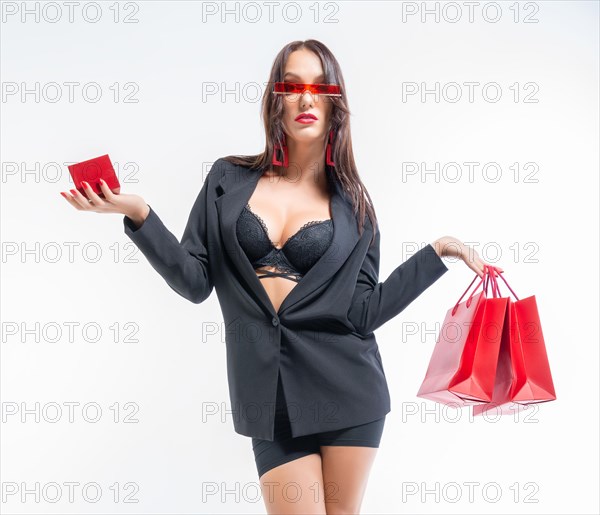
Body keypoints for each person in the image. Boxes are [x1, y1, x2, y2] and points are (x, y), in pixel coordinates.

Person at [61, 39, 500, 515]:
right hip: (269, 401)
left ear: (335, 104)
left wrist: (436, 253)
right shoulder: (226, 180)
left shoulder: (356, 207)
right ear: (276, 98)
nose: (306, 98)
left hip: (349, 394)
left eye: (319, 86)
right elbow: (193, 281)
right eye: (292, 86)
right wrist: (141, 213)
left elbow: (362, 312)